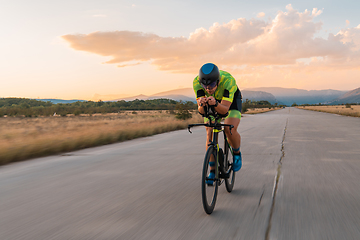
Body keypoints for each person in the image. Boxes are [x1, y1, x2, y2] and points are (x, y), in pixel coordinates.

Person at [193, 63, 242, 185]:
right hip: (212, 102)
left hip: (231, 102)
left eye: (212, 85)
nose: (208, 89)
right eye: (205, 86)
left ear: (218, 81)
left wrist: (215, 104)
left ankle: (236, 153)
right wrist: (201, 104)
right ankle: (212, 170)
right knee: (209, 132)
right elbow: (202, 112)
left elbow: (225, 110)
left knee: (229, 129)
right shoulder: (196, 83)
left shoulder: (228, 81)